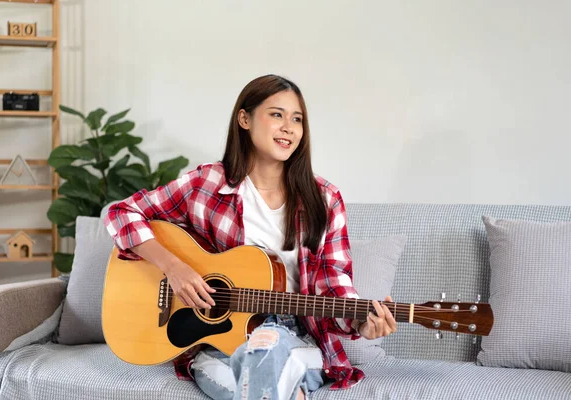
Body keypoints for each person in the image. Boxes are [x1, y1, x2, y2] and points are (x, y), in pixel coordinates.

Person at [103, 74, 397, 400]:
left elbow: (335, 281)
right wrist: (174, 268)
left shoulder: (324, 198)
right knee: (271, 381)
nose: (289, 127)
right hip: (218, 342)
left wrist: (360, 323)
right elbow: (121, 213)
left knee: (265, 355)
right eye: (277, 114)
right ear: (244, 118)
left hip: (296, 335)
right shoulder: (207, 183)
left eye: (297, 119)